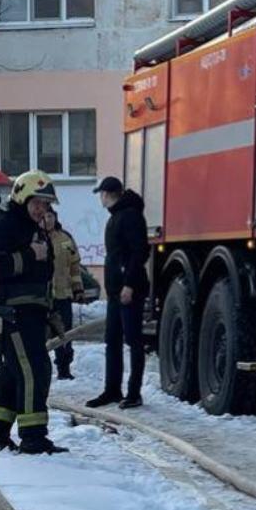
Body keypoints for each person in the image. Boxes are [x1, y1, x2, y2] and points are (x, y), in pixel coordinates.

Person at [0, 170, 64, 454]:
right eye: (37, 202)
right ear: (21, 196)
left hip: (30, 312)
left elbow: (44, 272)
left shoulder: (33, 229)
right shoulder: (1, 227)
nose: (42, 209)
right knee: (33, 370)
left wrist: (49, 312)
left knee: (14, 372)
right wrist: (30, 255)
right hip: (10, 313)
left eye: (46, 204)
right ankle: (33, 437)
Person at [87, 175, 149, 409]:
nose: (100, 199)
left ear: (108, 194)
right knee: (112, 340)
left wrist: (129, 284)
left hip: (127, 290)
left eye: (101, 194)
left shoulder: (130, 215)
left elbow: (139, 251)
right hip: (115, 291)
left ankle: (134, 392)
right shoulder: (117, 216)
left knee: (133, 340)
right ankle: (112, 390)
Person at [45, 206, 82, 382]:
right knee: (41, 335)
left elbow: (74, 266)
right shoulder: (35, 238)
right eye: (44, 216)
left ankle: (64, 369)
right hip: (42, 297)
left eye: (50, 216)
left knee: (64, 333)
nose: (48, 220)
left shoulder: (65, 239)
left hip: (62, 295)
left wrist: (78, 289)